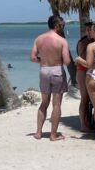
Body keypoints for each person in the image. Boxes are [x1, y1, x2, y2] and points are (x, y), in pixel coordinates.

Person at [30, 14, 71, 142]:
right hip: (57, 70)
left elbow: (32, 58)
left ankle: (38, 132)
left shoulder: (39, 39)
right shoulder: (62, 41)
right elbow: (67, 61)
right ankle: (53, 135)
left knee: (44, 102)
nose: (63, 27)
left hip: (44, 70)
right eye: (62, 25)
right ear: (57, 25)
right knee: (56, 104)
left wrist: (43, 61)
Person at [74, 22, 94, 132]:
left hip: (89, 71)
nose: (90, 32)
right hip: (83, 71)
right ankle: (83, 124)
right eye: (88, 30)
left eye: (91, 29)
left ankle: (87, 122)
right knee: (84, 98)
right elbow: (82, 57)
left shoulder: (93, 41)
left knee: (90, 99)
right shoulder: (84, 42)